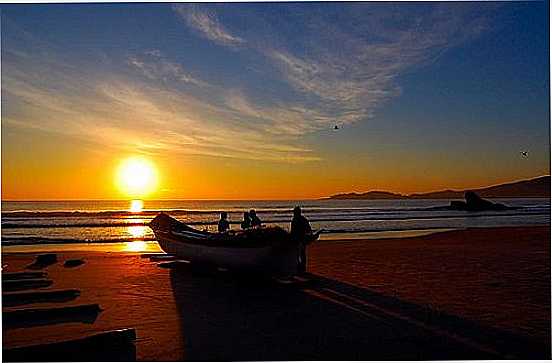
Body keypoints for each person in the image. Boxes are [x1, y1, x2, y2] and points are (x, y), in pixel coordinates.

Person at [290, 206, 312, 273]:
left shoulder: (296, 220)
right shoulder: (302, 219)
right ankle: (301, 268)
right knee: (301, 254)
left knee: (299, 254)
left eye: (294, 212)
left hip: (299, 239)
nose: (294, 213)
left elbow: (293, 231)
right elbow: (308, 229)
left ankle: (301, 268)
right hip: (300, 239)